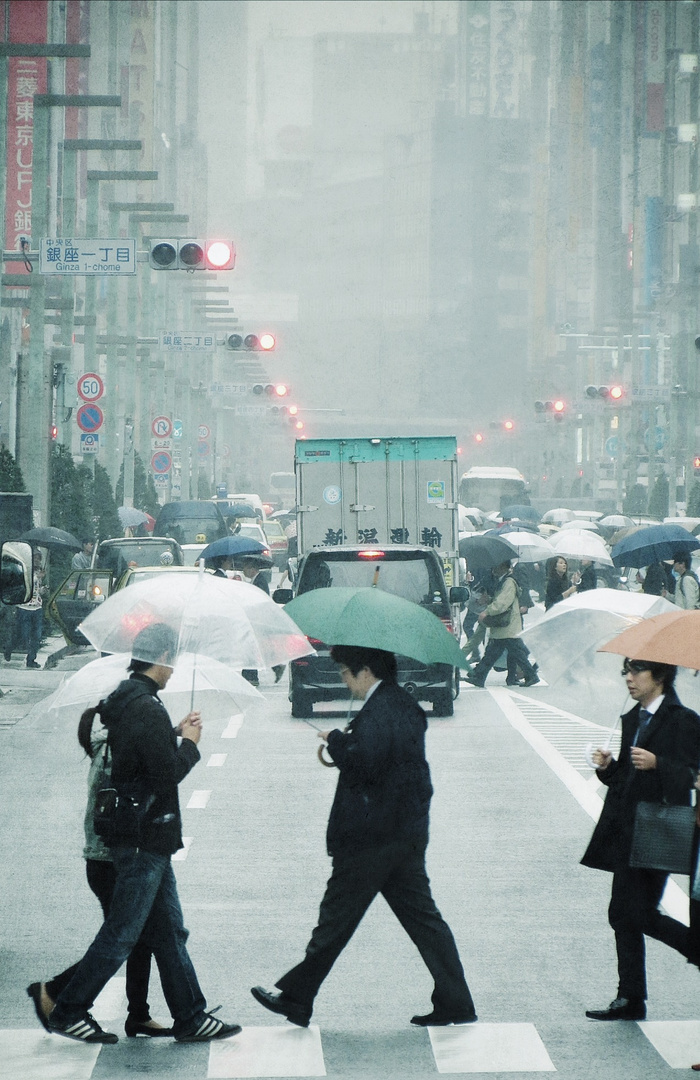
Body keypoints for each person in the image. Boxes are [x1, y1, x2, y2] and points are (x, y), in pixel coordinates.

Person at [32, 623, 241, 1045]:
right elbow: (165, 776)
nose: (175, 669)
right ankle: (68, 1008)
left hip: (145, 837)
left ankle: (190, 1016)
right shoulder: (146, 707)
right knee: (124, 932)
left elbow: (136, 759)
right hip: (145, 835)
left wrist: (174, 733)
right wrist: (192, 744)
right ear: (160, 658)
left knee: (169, 932)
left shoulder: (128, 701)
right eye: (173, 660)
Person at [250, 645, 477, 1029]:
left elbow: (367, 764)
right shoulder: (400, 704)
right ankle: (455, 1001)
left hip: (371, 837)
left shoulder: (382, 710)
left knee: (335, 919)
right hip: (401, 834)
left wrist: (338, 742)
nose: (343, 680)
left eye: (344, 672)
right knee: (424, 922)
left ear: (366, 671)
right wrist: (345, 739)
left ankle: (297, 997)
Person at [27, 711, 170, 1038]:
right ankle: (55, 992)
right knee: (119, 941)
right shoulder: (115, 754)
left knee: (135, 939)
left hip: (106, 860)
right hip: (110, 862)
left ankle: (138, 1015)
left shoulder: (109, 746)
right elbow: (144, 793)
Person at [581, 658, 700, 1021]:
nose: (628, 679)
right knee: (623, 914)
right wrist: (609, 768)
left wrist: (659, 764)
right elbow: (626, 782)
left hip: (661, 829)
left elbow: (695, 776)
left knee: (632, 913)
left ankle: (694, 948)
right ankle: (630, 998)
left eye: (636, 672)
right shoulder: (634, 717)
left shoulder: (684, 721)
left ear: (660, 675)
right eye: (626, 672)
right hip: (627, 828)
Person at [463, 560, 540, 688]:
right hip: (504, 626)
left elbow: (503, 603)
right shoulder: (503, 581)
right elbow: (500, 600)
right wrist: (490, 600)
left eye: (497, 566)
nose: (493, 568)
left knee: (509, 653)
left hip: (507, 625)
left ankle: (531, 675)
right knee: (494, 653)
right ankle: (479, 677)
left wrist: (487, 611)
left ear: (504, 567)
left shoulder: (509, 582)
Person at [238, 557, 285, 684]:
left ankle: (251, 676)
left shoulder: (260, 582)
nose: (243, 571)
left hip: (257, 620)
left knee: (252, 647)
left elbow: (259, 602)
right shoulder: (256, 581)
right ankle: (275, 666)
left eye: (245, 568)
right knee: (259, 647)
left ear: (252, 569)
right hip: (256, 620)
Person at [15, 552, 48, 669]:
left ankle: (31, 658)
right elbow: (25, 583)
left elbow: (37, 590)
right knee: (24, 634)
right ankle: (11, 646)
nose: (37, 561)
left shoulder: (39, 573)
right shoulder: (24, 570)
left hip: (36, 607)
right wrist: (37, 577)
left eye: (39, 559)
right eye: (35, 559)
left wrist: (43, 589)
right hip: (24, 607)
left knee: (37, 635)